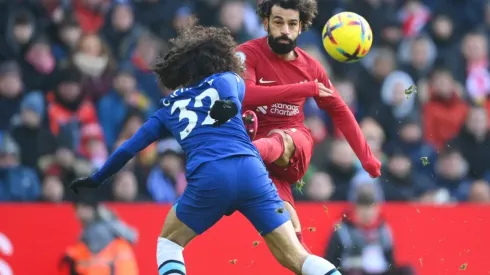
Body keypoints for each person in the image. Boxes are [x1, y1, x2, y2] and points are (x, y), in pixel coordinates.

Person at [70, 21, 341, 275]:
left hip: (209, 176)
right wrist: (232, 109)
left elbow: (128, 149)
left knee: (169, 243)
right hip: (251, 171)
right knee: (294, 256)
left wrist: (97, 178)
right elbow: (234, 101)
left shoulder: (167, 109)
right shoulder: (227, 79)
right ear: (220, 58)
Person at [234, 0, 382, 251]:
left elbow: (340, 110)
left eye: (292, 24)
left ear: (301, 27)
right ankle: (307, 262)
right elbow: (246, 95)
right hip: (263, 161)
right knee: (289, 229)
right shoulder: (246, 54)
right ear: (266, 22)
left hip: (293, 145)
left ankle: (244, 155)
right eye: (278, 22)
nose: (285, 30)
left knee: (281, 137)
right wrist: (304, 88)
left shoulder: (312, 67)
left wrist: (366, 157)